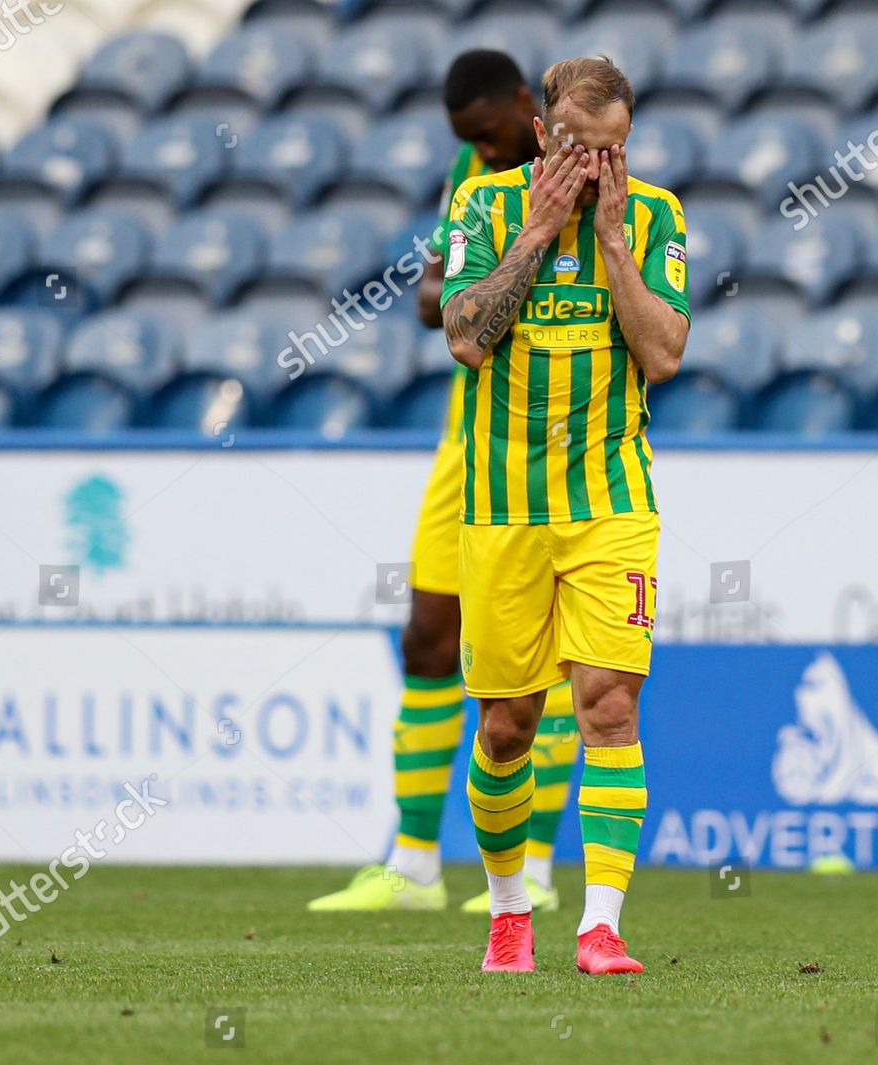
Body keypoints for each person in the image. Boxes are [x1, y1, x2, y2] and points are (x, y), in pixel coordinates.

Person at [307, 50, 581, 915]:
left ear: (521, 107)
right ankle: (415, 863)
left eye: (490, 137)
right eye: (469, 144)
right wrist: (470, 283)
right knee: (428, 638)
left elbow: (465, 296)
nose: (483, 156)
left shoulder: (575, 170)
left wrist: (480, 279)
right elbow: (433, 301)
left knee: (558, 665)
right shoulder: (475, 172)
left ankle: (533, 870)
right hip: (469, 441)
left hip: (560, 439)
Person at [440, 56, 689, 973]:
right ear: (545, 136)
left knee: (611, 706)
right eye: (582, 152)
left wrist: (616, 247)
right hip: (504, 509)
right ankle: (509, 911)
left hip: (611, 502)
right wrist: (539, 231)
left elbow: (662, 357)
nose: (598, 171)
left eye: (615, 152)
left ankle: (601, 927)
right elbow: (466, 334)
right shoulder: (482, 207)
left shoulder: (655, 216)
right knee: (507, 724)